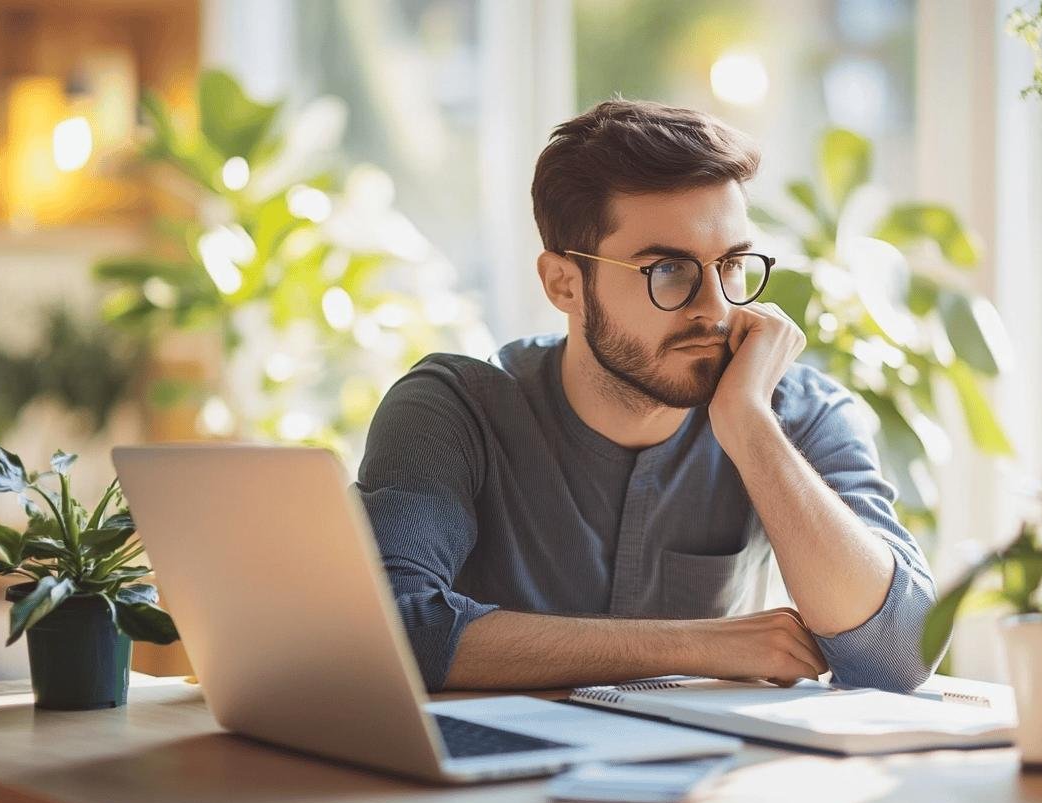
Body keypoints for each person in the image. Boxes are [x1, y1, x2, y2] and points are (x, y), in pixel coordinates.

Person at [357, 98, 937, 694]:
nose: (716, 308)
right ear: (564, 283)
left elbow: (897, 656)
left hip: (711, 778)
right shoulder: (454, 410)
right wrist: (701, 645)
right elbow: (393, 627)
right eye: (668, 270)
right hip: (491, 780)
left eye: (734, 265)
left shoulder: (795, 412)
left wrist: (749, 427)